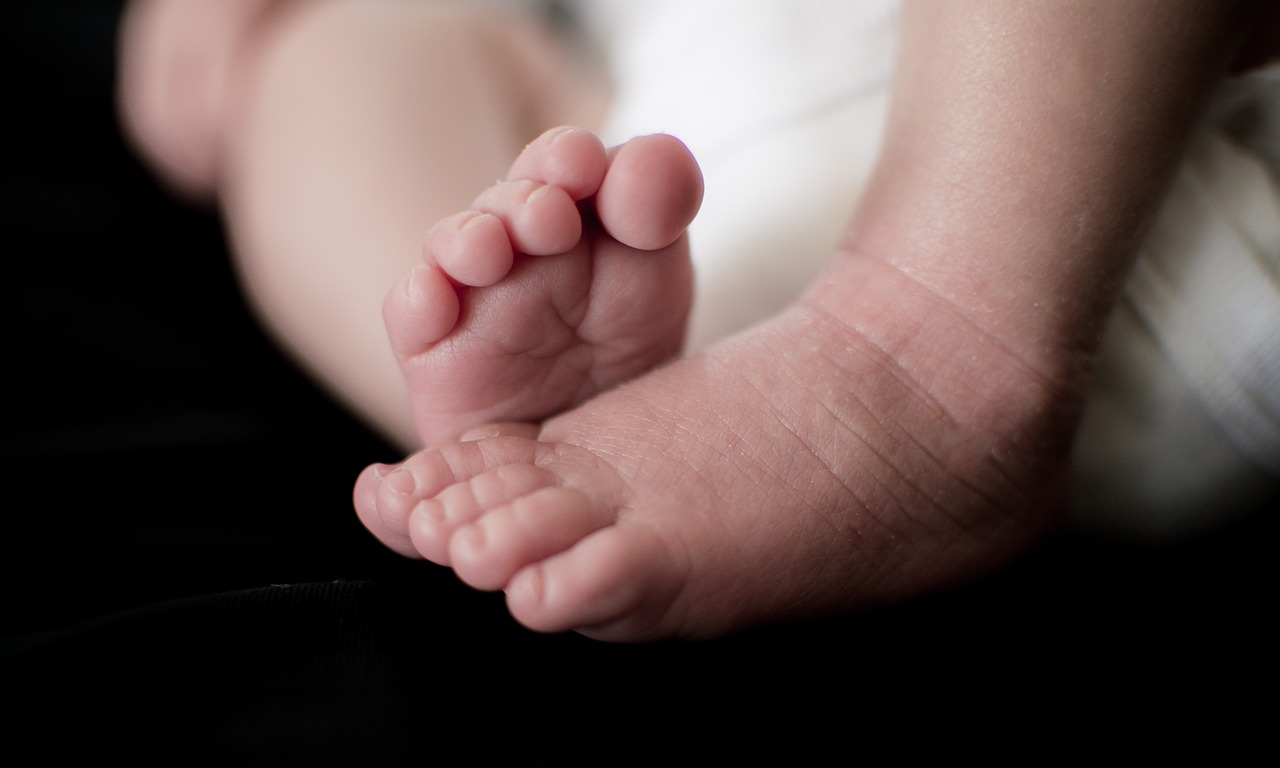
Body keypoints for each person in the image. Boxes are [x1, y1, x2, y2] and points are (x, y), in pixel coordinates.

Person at [117, 0, 1280, 642]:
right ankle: (527, 423)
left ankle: (932, 340)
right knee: (329, 49)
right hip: (661, 193)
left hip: (1116, 153)